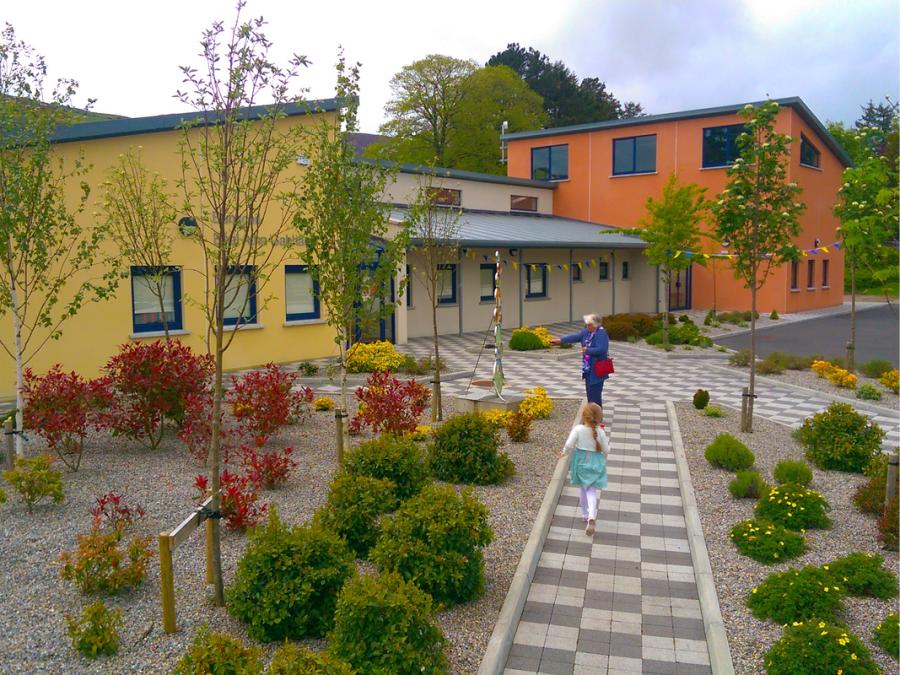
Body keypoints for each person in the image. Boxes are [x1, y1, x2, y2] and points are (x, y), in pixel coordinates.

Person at [560, 402, 609, 536]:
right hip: (596, 461)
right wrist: (605, 455)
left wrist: (564, 452)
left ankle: (586, 514)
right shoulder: (600, 432)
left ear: (584, 415)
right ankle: (591, 516)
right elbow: (606, 449)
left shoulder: (578, 429)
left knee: (583, 488)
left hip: (581, 460)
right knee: (591, 489)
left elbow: (569, 444)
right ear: (599, 417)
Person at [550, 313, 610, 406]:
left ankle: (597, 417)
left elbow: (602, 349)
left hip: (598, 367)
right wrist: (560, 340)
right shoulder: (586, 332)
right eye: (587, 324)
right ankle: (591, 414)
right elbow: (575, 337)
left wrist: (588, 350)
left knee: (595, 393)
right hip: (588, 367)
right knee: (590, 392)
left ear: (596, 325)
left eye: (589, 324)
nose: (587, 326)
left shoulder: (601, 333)